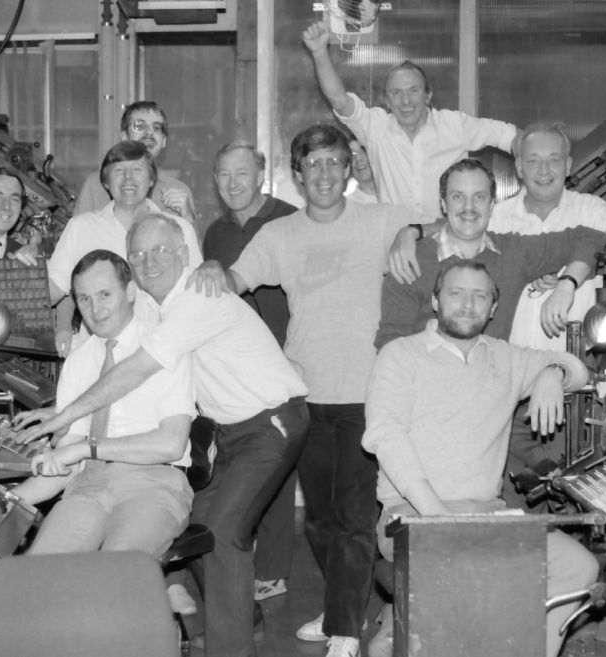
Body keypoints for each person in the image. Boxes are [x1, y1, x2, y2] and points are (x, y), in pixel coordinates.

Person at [16, 214, 309, 657]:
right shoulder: (145, 311)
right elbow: (76, 433)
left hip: (269, 421)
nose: (148, 262)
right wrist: (25, 479)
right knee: (204, 526)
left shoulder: (194, 299)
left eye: (160, 251)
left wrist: (67, 418)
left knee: (222, 530)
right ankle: (236, 617)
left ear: (184, 255)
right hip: (225, 430)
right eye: (138, 254)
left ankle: (230, 647)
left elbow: (135, 371)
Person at [191, 124, 421, 657]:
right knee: (318, 519)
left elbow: (425, 219)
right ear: (297, 175)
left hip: (367, 392)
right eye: (313, 164)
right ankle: (344, 608)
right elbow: (234, 283)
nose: (324, 173)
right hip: (305, 396)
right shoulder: (280, 235)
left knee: (354, 516)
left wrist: (409, 233)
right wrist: (211, 266)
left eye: (333, 162)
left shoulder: (378, 218)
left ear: (348, 170)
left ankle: (346, 630)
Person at [362, 260, 599, 657]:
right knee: (465, 582)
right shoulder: (400, 355)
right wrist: (436, 515)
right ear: (436, 301)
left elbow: (580, 369)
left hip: (488, 514)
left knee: (578, 567)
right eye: (456, 293)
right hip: (412, 513)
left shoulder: (505, 357)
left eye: (479, 296)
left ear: (493, 308)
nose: (467, 304)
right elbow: (385, 436)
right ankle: (401, 633)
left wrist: (553, 374)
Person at [487, 122, 606, 507]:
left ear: (569, 165)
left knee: (571, 494)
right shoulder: (497, 217)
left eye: (554, 160)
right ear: (518, 166)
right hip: (508, 380)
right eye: (533, 160)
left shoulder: (590, 209)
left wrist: (564, 271)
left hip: (575, 386)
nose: (544, 170)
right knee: (508, 497)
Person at [11, 249, 194, 558]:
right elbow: (66, 463)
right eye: (84, 299)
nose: (95, 309)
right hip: (87, 485)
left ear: (131, 292)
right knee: (41, 568)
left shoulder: (163, 347)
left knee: (116, 567)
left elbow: (171, 444)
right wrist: (6, 500)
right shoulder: (78, 361)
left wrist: (86, 448)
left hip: (153, 483)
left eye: (105, 295)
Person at [375, 158, 606, 351]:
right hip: (426, 389)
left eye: (479, 196)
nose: (469, 207)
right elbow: (391, 344)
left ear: (492, 205)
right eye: (458, 196)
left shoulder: (513, 252)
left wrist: (567, 284)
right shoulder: (409, 259)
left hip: (492, 388)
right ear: (443, 204)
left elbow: (591, 238)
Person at [204, 140, 297, 601]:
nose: (233, 183)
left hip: (292, 358)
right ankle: (248, 555)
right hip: (238, 369)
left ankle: (274, 569)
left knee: (282, 468)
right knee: (252, 465)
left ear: (261, 174)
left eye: (242, 173)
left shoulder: (290, 219)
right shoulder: (215, 233)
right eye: (224, 174)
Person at [302, 21, 517, 218]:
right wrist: (319, 52)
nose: (405, 101)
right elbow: (340, 101)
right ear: (386, 101)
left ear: (428, 95)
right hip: (394, 241)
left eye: (413, 90)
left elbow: (511, 136)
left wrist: (530, 191)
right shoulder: (376, 128)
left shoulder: (455, 125)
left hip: (446, 238)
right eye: (396, 93)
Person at [47, 140, 201, 356]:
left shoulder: (180, 229)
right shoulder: (81, 227)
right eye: (119, 171)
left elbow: (196, 294)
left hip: (163, 352)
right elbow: (54, 288)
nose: (128, 178)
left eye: (137, 170)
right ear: (106, 182)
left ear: (151, 180)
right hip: (99, 354)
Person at [73, 100, 195, 220]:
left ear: (164, 141)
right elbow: (78, 231)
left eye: (157, 128)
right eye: (139, 126)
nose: (149, 133)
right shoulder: (96, 185)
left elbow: (190, 233)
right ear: (124, 136)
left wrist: (187, 216)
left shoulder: (178, 191)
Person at [340, 128, 377, 204]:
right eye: (352, 154)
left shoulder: (396, 190)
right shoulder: (349, 205)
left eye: (363, 151)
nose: (358, 158)